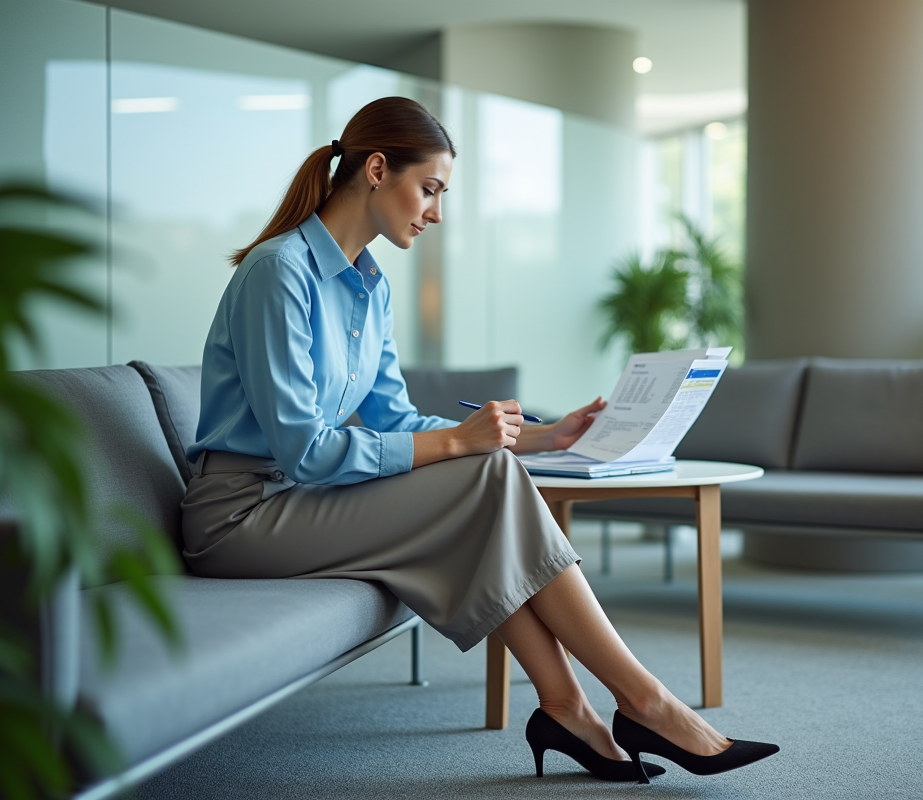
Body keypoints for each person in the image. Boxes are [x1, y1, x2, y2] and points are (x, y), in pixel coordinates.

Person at [181, 96, 777, 784]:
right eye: (429, 189)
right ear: (377, 169)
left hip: (301, 501)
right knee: (479, 474)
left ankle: (570, 705)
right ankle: (642, 701)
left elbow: (395, 420)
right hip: (240, 518)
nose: (435, 212)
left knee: (488, 474)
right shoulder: (278, 273)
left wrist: (537, 438)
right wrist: (463, 445)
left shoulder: (369, 289)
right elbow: (306, 450)